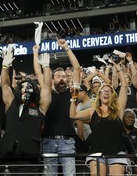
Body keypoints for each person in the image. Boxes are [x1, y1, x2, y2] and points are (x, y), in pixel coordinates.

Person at [70, 60, 129, 176]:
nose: (106, 93)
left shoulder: (118, 109)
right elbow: (73, 115)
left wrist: (118, 67)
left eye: (109, 91)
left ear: (112, 95)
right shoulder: (93, 111)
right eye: (103, 91)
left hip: (117, 153)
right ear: (99, 94)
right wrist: (74, 98)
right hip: (97, 153)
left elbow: (124, 85)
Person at [0, 46, 52, 174]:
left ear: (34, 90)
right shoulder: (11, 103)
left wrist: (45, 67)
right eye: (22, 87)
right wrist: (5, 67)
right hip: (8, 154)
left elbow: (47, 87)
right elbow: (5, 85)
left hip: (30, 156)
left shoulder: (40, 106)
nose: (24, 90)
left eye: (29, 87)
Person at [41, 39, 81, 175]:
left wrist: (67, 48)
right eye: (58, 76)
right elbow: (41, 76)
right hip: (48, 141)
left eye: (64, 76)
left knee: (70, 174)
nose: (62, 78)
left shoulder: (72, 91)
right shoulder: (47, 93)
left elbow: (77, 69)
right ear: (53, 80)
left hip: (67, 142)